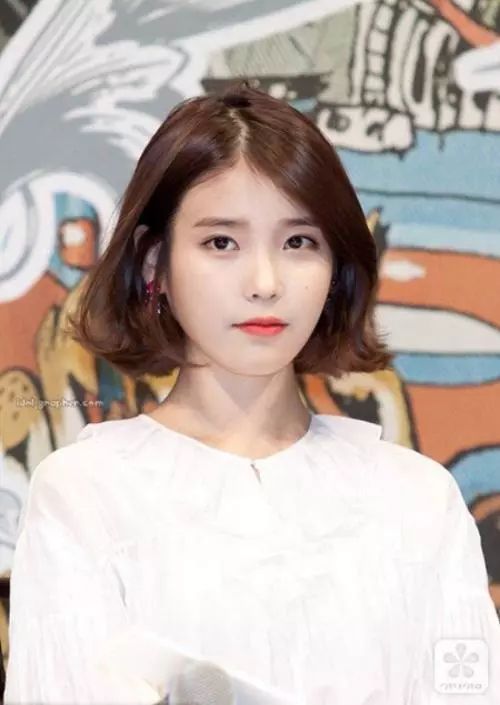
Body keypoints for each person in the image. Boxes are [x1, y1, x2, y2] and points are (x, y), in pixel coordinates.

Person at [4, 81, 500, 704]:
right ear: (155, 263)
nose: (264, 282)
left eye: (298, 242)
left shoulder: (418, 501)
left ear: (335, 267)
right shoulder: (86, 495)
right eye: (222, 242)